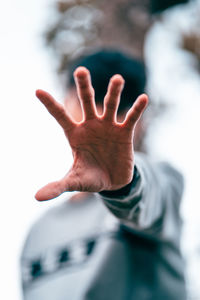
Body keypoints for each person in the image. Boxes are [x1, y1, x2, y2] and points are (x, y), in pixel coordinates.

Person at [20, 50, 186, 300]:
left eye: (122, 106)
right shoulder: (39, 231)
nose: (102, 120)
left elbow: (147, 197)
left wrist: (122, 186)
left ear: (140, 120)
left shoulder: (163, 182)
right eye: (89, 100)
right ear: (67, 103)